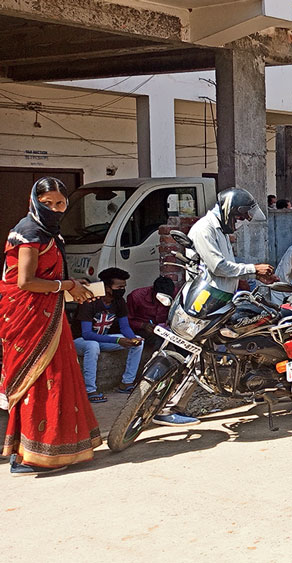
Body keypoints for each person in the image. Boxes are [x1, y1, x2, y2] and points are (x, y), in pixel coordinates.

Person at [1, 177, 100, 475]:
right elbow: (26, 281)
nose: (55, 209)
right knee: (34, 380)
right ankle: (26, 456)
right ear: (34, 202)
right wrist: (67, 285)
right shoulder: (29, 233)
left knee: (57, 377)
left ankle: (52, 447)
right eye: (47, 204)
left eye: (60, 203)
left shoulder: (51, 233)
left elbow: (52, 277)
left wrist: (73, 286)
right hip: (25, 315)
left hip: (49, 314)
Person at [155, 188, 274, 427]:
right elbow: (220, 267)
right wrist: (253, 269)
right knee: (196, 352)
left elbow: (227, 268)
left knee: (209, 354)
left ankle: (175, 405)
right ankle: (167, 406)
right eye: (240, 217)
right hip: (205, 302)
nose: (240, 223)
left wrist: (252, 279)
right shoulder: (204, 229)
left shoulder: (219, 230)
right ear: (230, 210)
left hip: (220, 301)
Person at [73, 267, 144, 402]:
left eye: (124, 286)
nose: (122, 289)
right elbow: (87, 334)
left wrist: (133, 338)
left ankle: (126, 382)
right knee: (93, 346)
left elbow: (124, 327)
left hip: (102, 340)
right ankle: (90, 390)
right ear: (107, 287)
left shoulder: (119, 302)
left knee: (139, 343)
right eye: (119, 287)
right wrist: (117, 341)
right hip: (80, 341)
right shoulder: (90, 302)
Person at [127, 276, 175, 345]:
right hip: (143, 329)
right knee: (157, 340)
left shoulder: (175, 294)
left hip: (165, 329)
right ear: (153, 291)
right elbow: (125, 320)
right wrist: (143, 325)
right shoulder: (136, 296)